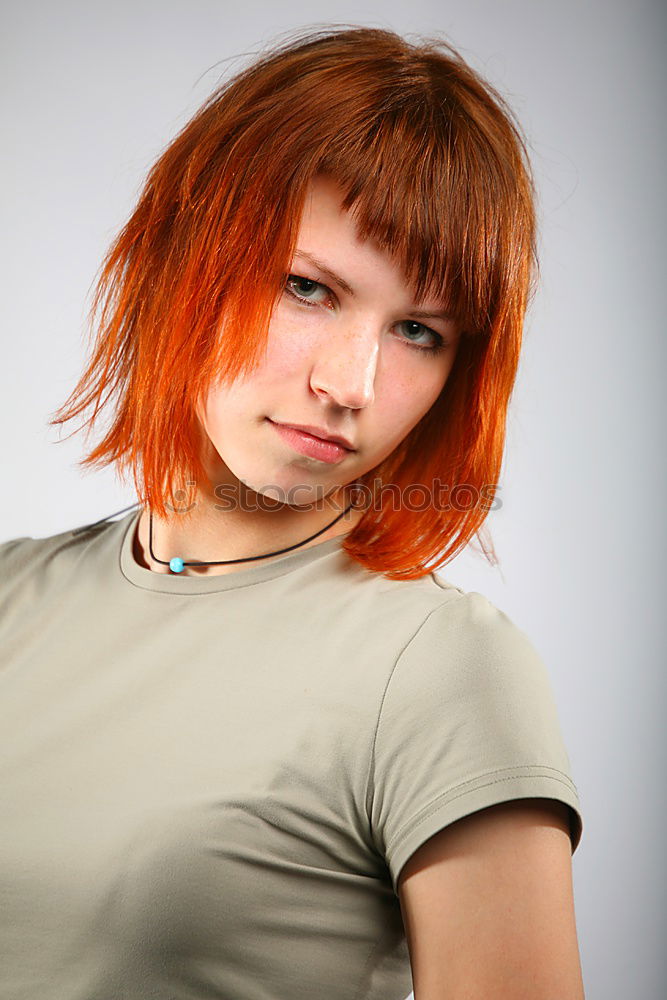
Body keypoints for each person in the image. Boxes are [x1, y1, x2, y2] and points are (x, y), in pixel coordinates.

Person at [0, 24, 585, 1000]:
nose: (352, 383)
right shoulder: (13, 595)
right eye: (307, 288)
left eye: (417, 331)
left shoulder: (440, 667)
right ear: (183, 256)